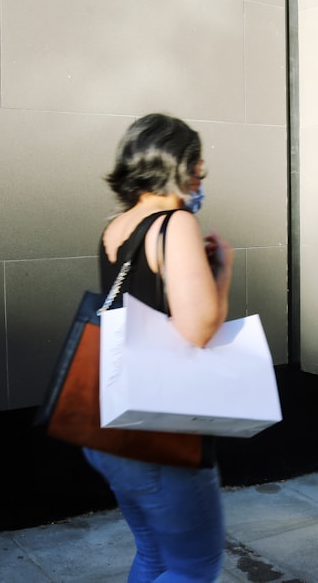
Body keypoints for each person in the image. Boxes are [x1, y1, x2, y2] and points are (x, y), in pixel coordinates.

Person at [85, 113, 233, 582]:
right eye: (196, 161)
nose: (201, 171)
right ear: (178, 164)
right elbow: (199, 328)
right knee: (195, 566)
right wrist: (223, 274)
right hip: (162, 431)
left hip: (113, 424)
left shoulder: (118, 227)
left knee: (154, 556)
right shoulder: (175, 224)